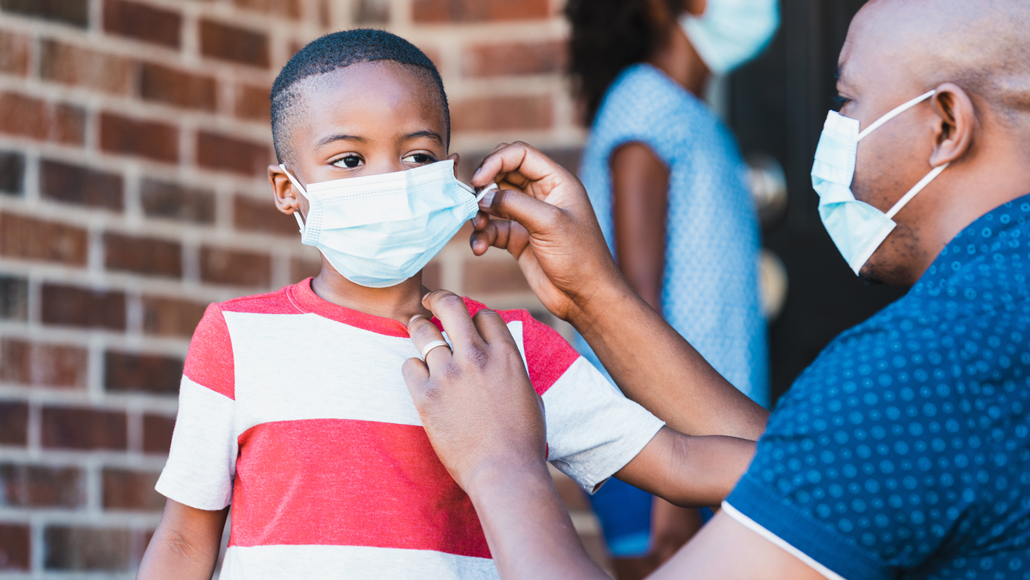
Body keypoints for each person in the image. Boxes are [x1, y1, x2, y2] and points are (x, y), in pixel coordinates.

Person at [400, 0, 1030, 578]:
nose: (835, 126)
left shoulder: (937, 360)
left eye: (847, 101)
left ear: (946, 124)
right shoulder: (992, 320)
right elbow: (833, 462)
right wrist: (590, 295)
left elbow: (860, 442)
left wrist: (501, 464)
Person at [135, 29, 760, 580]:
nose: (388, 179)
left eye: (417, 156)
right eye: (349, 160)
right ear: (287, 190)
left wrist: (844, 459)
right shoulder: (237, 338)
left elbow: (679, 460)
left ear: (451, 176)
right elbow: (188, 537)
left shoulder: (509, 349)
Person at [565, 0, 775, 571]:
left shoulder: (686, 111)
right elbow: (633, 300)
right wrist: (673, 482)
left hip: (703, 438)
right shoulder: (645, 106)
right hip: (661, 447)